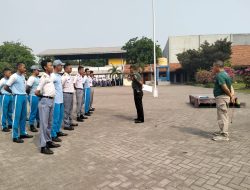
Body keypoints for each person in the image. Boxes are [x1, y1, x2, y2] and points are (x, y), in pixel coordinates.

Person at [35, 59, 60, 154]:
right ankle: (43, 146)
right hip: (45, 101)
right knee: (44, 125)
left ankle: (48, 141)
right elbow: (36, 92)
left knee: (49, 123)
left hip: (51, 101)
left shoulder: (50, 77)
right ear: (45, 67)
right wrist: (44, 97)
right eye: (50, 65)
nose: (52, 67)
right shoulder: (44, 77)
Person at [5, 62, 33, 143]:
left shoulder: (23, 76)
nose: (25, 69)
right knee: (16, 116)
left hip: (24, 96)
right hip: (17, 97)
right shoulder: (14, 76)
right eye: (24, 67)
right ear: (19, 67)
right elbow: (6, 87)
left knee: (23, 116)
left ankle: (23, 132)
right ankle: (15, 136)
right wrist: (13, 92)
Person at [212, 60, 235, 141]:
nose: (213, 68)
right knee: (221, 115)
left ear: (217, 66)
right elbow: (231, 86)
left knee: (222, 116)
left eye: (214, 66)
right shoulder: (226, 74)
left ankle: (224, 135)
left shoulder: (220, 75)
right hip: (224, 97)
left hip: (222, 98)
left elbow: (224, 87)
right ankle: (222, 131)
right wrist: (232, 95)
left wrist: (230, 95)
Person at [51, 60, 68, 142]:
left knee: (60, 117)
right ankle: (53, 134)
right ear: (56, 66)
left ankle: (57, 131)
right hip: (55, 101)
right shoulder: (52, 76)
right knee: (55, 118)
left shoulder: (58, 76)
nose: (62, 67)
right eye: (61, 65)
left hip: (60, 100)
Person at [62, 63, 78, 131]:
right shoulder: (64, 76)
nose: (71, 69)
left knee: (70, 109)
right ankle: (66, 124)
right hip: (66, 94)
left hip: (71, 94)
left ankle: (70, 121)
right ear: (65, 69)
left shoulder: (69, 76)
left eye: (71, 68)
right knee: (66, 110)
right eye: (70, 68)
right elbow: (61, 86)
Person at [26, 65, 41, 132]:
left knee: (38, 111)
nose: (39, 71)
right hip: (33, 96)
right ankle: (31, 125)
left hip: (37, 96)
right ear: (34, 70)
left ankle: (38, 122)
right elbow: (27, 88)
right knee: (33, 111)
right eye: (38, 70)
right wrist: (30, 94)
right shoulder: (31, 78)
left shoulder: (37, 78)